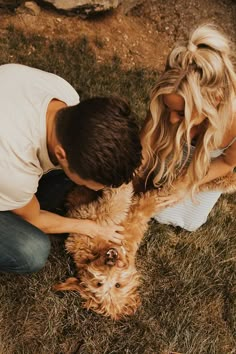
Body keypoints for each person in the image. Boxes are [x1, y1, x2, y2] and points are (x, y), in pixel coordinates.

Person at [0, 63, 142, 274]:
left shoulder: (65, 94)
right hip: (6, 168)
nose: (95, 189)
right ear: (61, 154)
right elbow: (35, 218)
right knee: (32, 250)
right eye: (90, 184)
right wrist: (90, 227)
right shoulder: (12, 167)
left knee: (65, 183)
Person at [139, 24, 236, 231]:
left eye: (182, 113)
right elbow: (145, 146)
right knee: (145, 194)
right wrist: (130, 179)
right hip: (168, 151)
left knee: (184, 219)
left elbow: (227, 162)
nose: (172, 119)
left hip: (205, 166)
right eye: (168, 108)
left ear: (215, 101)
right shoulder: (170, 95)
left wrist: (187, 183)